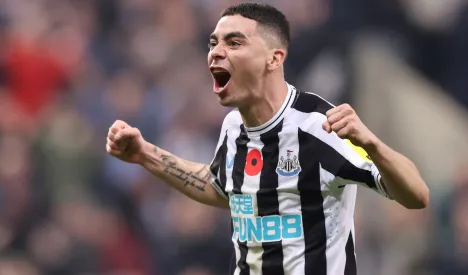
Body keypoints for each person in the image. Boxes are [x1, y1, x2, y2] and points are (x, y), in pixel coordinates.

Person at [106, 3, 429, 275]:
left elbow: (416, 194)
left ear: (273, 58)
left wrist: (371, 144)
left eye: (233, 43)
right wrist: (145, 154)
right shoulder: (234, 126)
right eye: (213, 42)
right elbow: (223, 188)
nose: (216, 52)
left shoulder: (317, 126)